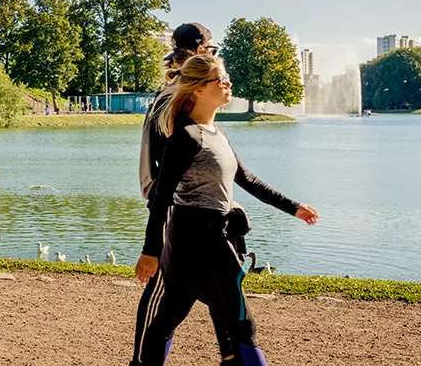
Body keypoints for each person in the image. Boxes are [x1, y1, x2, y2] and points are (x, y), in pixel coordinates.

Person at [134, 54, 319, 366]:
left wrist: (294, 208)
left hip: (194, 241)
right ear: (198, 90)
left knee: (169, 322)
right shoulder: (186, 137)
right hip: (202, 241)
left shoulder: (216, 134)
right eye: (220, 79)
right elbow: (162, 197)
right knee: (241, 326)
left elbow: (246, 178)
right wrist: (151, 251)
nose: (228, 83)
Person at [131, 22, 219, 363]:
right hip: (177, 206)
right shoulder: (177, 97)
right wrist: (152, 247)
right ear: (199, 52)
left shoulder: (177, 91)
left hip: (193, 206)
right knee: (164, 294)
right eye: (210, 51)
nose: (213, 57)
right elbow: (170, 170)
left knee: (224, 298)